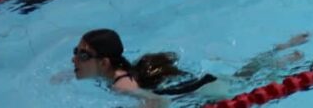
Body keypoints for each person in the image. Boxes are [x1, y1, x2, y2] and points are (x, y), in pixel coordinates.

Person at [72, 30, 213, 100]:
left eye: (83, 56)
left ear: (104, 63)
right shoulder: (113, 71)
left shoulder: (122, 85)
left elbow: (157, 102)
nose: (74, 60)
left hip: (205, 90)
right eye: (75, 52)